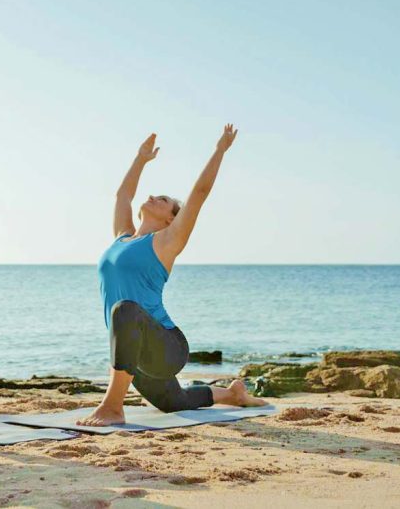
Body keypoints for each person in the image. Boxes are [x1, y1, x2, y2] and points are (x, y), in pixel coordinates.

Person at [77, 125, 267, 426]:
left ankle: (113, 408)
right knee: (173, 402)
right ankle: (232, 394)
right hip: (135, 353)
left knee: (124, 309)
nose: (152, 196)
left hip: (167, 346)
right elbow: (123, 195)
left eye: (162, 198)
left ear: (170, 218)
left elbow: (199, 194)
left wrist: (219, 150)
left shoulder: (167, 242)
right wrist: (140, 159)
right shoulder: (122, 237)